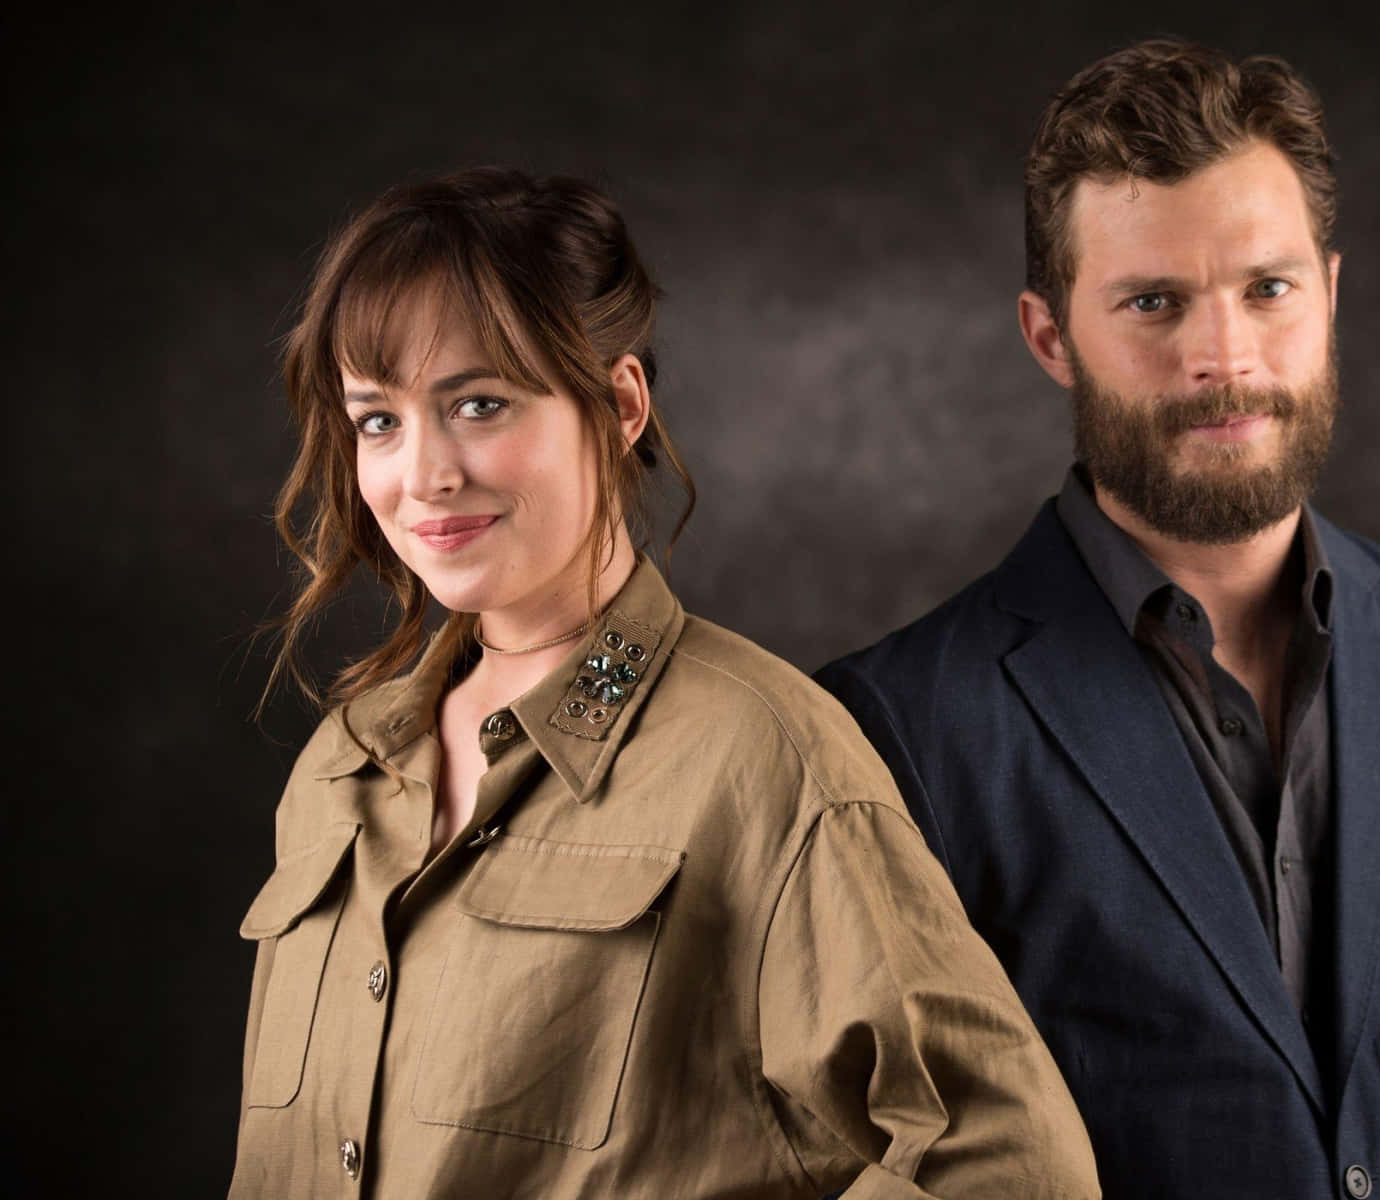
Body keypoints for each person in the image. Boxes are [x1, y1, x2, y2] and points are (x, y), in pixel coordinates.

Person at [817, 39, 1380, 1199]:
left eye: (1268, 289)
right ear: (1051, 338)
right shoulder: (896, 726)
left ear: (1331, 294)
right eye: (1154, 302)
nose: (1224, 357)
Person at [232, 167, 1097, 1199]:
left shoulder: (760, 755)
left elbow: (1008, 1165)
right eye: (378, 420)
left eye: (478, 403)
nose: (423, 475)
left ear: (620, 404)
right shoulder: (346, 765)